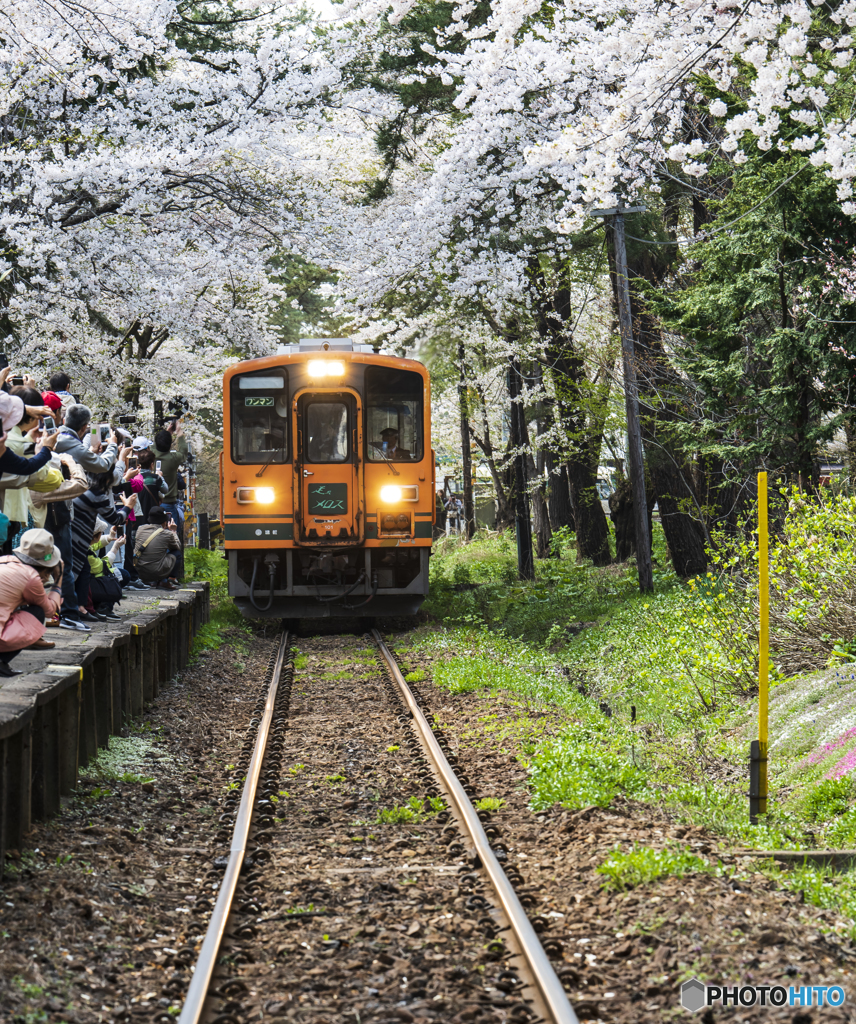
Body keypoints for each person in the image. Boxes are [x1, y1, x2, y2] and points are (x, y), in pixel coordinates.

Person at [71, 471, 135, 619]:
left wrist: (110, 537)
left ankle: (92, 605)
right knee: (120, 575)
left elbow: (94, 546)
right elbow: (102, 565)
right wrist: (115, 547)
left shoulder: (83, 544)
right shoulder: (96, 494)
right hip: (94, 583)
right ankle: (102, 606)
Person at [0, 528, 63, 675]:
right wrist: (59, 579)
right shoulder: (31, 577)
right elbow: (50, 611)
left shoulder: (4, 560)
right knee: (38, 611)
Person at [151, 423, 188, 579]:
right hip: (169, 504)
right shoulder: (173, 459)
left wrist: (166, 432)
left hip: (153, 504)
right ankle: (171, 577)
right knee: (172, 539)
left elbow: (155, 445)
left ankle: (156, 576)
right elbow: (184, 452)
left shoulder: (151, 455)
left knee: (154, 539)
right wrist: (179, 434)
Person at [134, 506, 181, 589]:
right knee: (176, 553)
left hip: (139, 571)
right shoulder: (167, 534)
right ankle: (166, 581)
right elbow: (177, 547)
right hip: (156, 572)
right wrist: (173, 532)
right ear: (165, 521)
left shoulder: (140, 529)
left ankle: (149, 581)